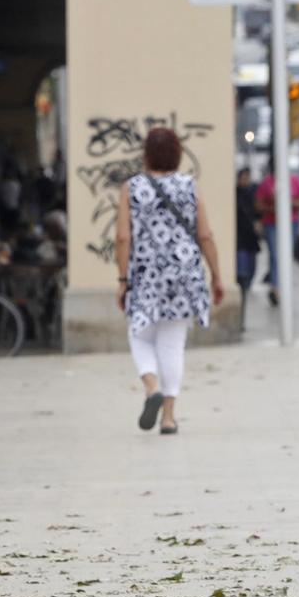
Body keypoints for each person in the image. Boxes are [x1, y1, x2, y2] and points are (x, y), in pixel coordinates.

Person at [114, 127, 224, 435]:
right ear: (177, 153)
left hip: (146, 273)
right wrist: (216, 275)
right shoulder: (190, 185)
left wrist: (122, 279)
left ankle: (151, 389)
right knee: (173, 345)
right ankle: (169, 418)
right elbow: (205, 234)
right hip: (184, 273)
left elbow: (123, 237)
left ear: (146, 154)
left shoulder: (132, 187)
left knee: (139, 335)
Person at [254, 167, 299, 307]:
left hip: (291, 222)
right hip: (272, 223)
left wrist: (289, 203)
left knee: (287, 255)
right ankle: (275, 287)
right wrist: (272, 207)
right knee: (275, 255)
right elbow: (258, 204)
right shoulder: (267, 183)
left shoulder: (295, 181)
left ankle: (283, 284)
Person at [233, 168, 261, 303]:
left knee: (252, 265)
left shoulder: (253, 193)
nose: (246, 180)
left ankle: (247, 286)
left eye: (247, 178)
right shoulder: (235, 194)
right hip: (240, 236)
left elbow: (258, 211)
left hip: (251, 236)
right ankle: (243, 288)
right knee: (242, 268)